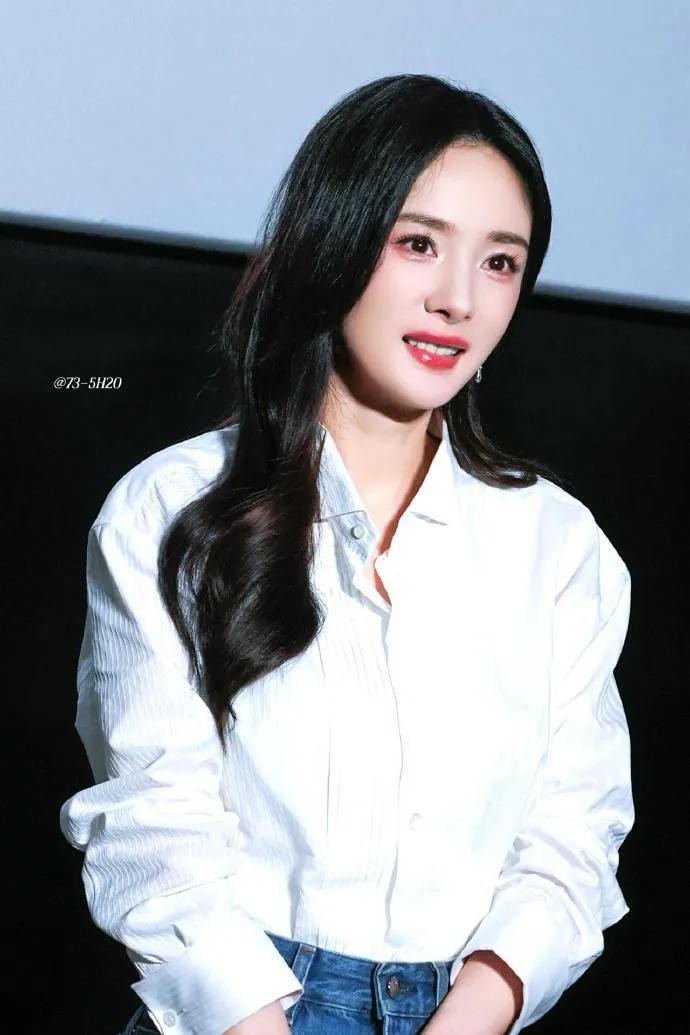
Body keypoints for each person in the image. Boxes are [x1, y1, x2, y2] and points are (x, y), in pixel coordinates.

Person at [59, 74, 634, 1035]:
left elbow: (573, 836)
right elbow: (153, 829)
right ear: (333, 241)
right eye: (418, 244)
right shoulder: (170, 510)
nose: (457, 299)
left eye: (500, 262)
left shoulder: (559, 546)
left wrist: (465, 1020)